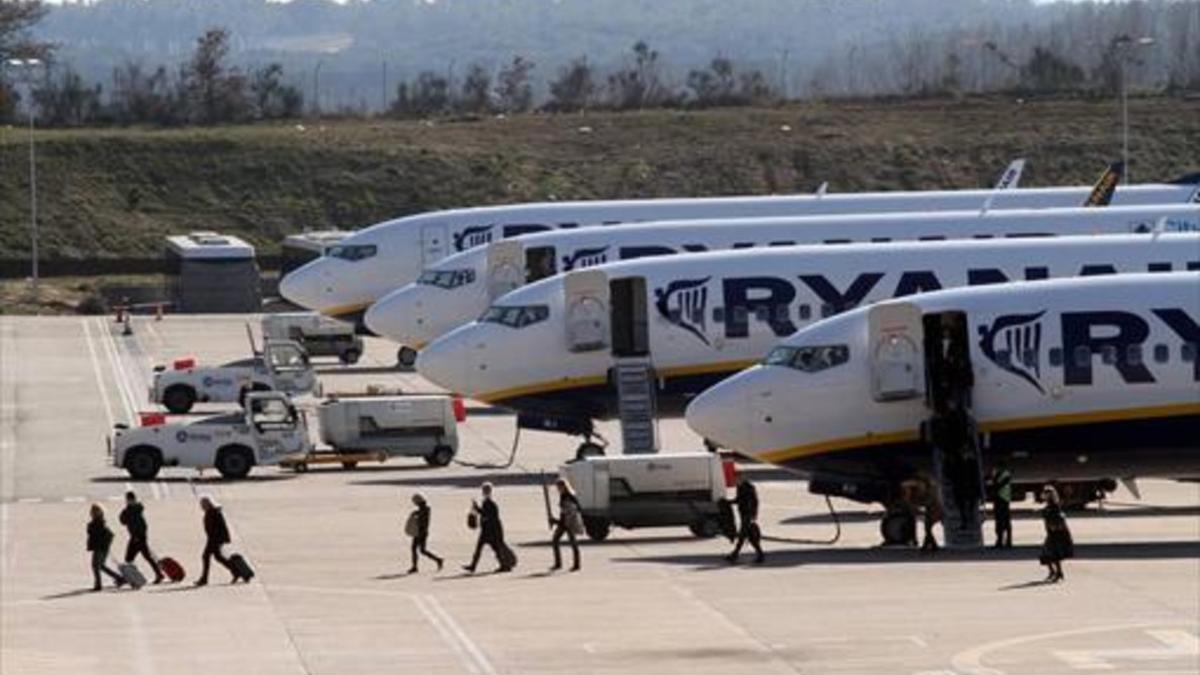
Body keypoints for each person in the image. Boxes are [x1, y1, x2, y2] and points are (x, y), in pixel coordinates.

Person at [119, 491, 164, 584]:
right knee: (134, 558)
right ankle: (158, 574)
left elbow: (142, 526)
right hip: (136, 537)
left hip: (138, 538)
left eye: (128, 500)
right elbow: (123, 521)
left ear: (131, 500)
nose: (127, 501)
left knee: (132, 558)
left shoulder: (135, 511)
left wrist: (138, 537)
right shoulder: (131, 509)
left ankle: (131, 577)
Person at [463, 482, 510, 573]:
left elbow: (487, 515)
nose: (483, 492)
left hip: (491, 530)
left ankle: (504, 565)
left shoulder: (490, 503)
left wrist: (477, 509)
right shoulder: (487, 502)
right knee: (481, 548)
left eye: (484, 490)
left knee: (494, 548)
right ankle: (473, 566)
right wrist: (477, 508)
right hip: (487, 529)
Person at [196, 496, 243, 586]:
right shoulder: (211, 512)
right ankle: (236, 571)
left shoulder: (214, 512)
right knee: (218, 557)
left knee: (205, 556)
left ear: (208, 504)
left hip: (215, 539)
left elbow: (220, 528)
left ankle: (204, 579)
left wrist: (219, 540)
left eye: (203, 505)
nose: (201, 507)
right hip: (213, 538)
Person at [725, 475, 764, 564]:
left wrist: (753, 515)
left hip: (748, 515)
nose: (735, 482)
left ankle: (735, 555)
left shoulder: (749, 488)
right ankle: (760, 555)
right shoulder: (739, 487)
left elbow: (755, 501)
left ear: (742, 479)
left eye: (736, 480)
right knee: (751, 537)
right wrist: (729, 502)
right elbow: (738, 500)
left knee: (743, 536)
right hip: (743, 514)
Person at [86, 503, 125, 591]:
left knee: (95, 566)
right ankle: (119, 578)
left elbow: (109, 534)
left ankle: (98, 585)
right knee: (101, 566)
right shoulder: (99, 523)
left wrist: (105, 545)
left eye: (92, 511)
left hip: (99, 548)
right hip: (101, 547)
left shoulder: (97, 523)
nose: (91, 513)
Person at [1039, 485, 1074, 582]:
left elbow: (1059, 519)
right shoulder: (1049, 506)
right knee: (1046, 554)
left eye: (1046, 494)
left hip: (1057, 533)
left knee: (1053, 554)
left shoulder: (1054, 506)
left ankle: (1058, 573)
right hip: (1051, 532)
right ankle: (1054, 572)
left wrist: (1055, 527)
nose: (1043, 495)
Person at [549, 478, 582, 572]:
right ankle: (558, 563)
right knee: (555, 541)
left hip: (569, 522)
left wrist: (556, 521)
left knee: (573, 543)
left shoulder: (568, 497)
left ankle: (576, 564)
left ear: (563, 486)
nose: (558, 489)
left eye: (559, 487)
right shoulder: (564, 495)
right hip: (564, 522)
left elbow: (569, 512)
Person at [407, 493, 443, 574]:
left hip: (421, 532)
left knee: (421, 550)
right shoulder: (423, 509)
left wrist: (416, 514)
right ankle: (415, 566)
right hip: (420, 532)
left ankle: (438, 560)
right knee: (416, 549)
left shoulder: (424, 510)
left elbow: (422, 520)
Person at [986, 462, 1013, 548]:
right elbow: (987, 479)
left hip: (1004, 499)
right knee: (999, 521)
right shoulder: (996, 473)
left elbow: (998, 485)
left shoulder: (1006, 474)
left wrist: (992, 481)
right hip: (998, 499)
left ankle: (1008, 541)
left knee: (1005, 521)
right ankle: (1000, 541)